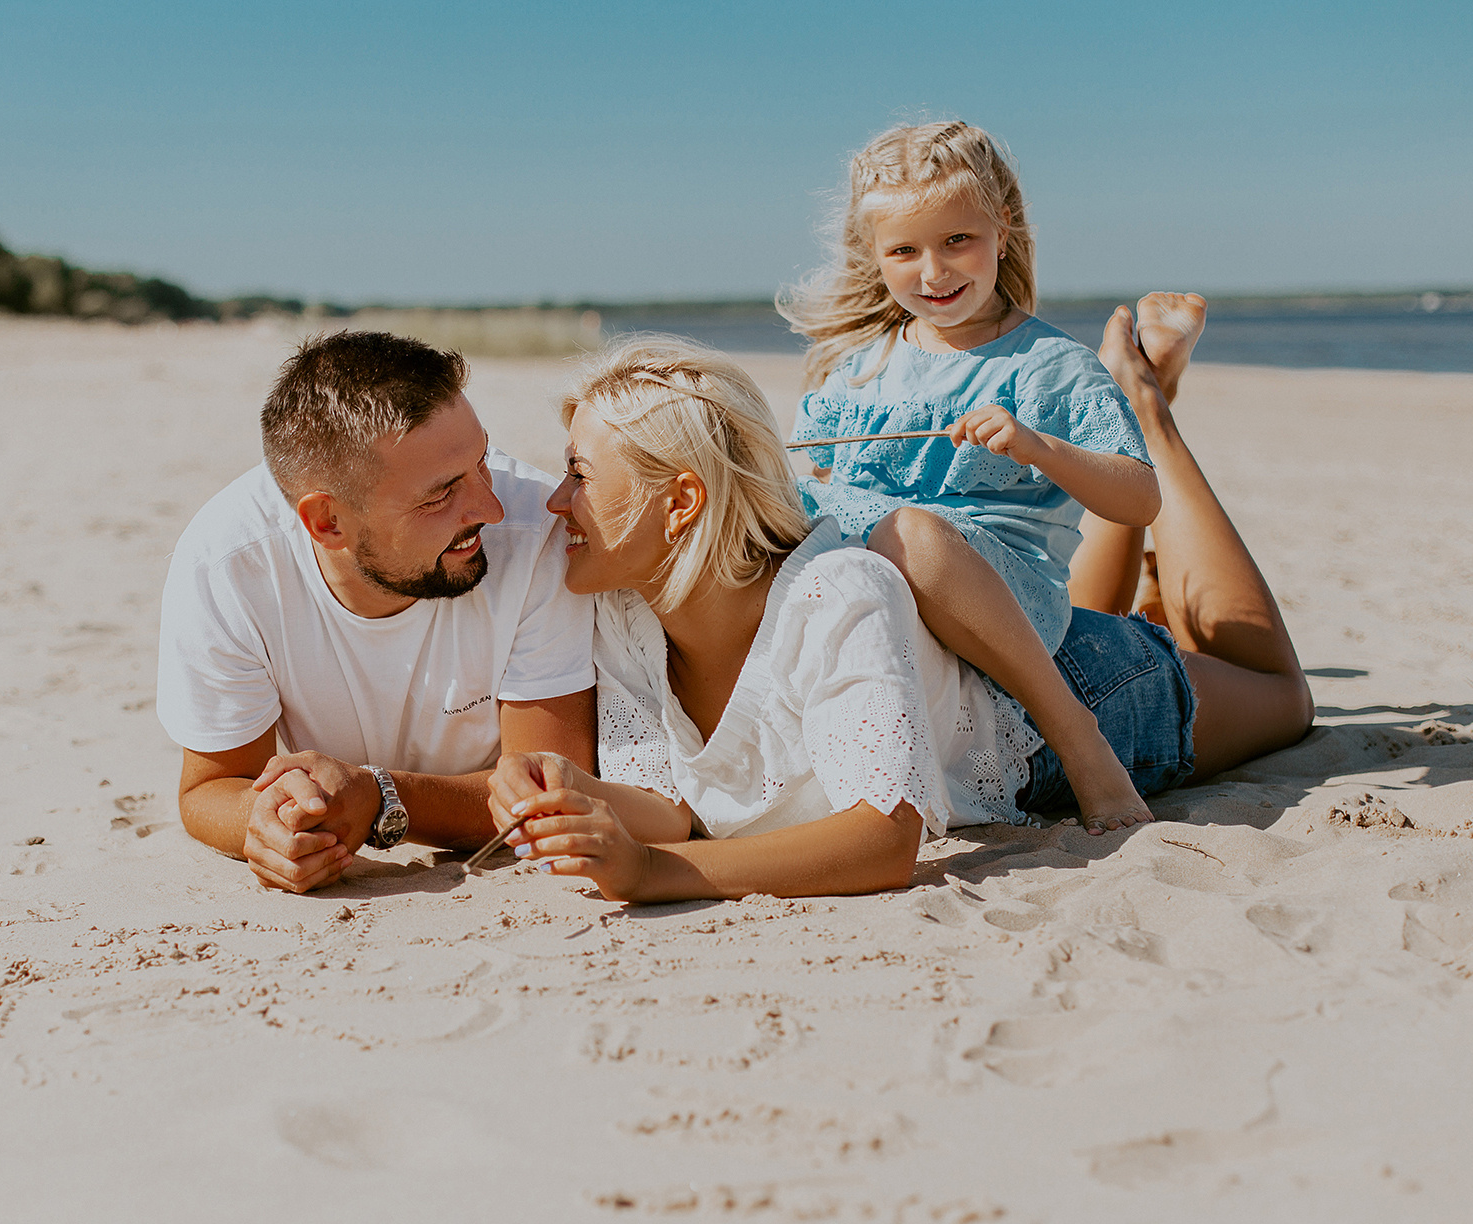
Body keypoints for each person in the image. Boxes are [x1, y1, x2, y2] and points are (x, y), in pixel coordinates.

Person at [486, 313, 1312, 905]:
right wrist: (578, 791)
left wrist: (658, 875)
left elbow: (885, 839)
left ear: (682, 502)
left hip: (1064, 700)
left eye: (581, 475)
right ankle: (1147, 565)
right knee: (1129, 613)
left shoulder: (840, 592)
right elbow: (670, 807)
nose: (557, 501)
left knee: (1280, 693)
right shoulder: (624, 617)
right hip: (966, 651)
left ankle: (1149, 412)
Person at [778, 121, 1164, 834]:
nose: (934, 272)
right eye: (905, 250)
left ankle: (1079, 741)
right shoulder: (859, 367)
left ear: (1003, 229)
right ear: (875, 256)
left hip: (1001, 596)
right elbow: (833, 480)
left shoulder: (1049, 366)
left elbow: (1140, 496)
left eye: (958, 240)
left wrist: (1040, 447)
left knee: (912, 533)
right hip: (881, 583)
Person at [157, 331, 596, 893]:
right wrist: (270, 826)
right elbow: (213, 787)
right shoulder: (229, 563)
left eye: (482, 459)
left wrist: (380, 798)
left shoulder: (540, 534)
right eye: (440, 495)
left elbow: (553, 792)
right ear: (328, 523)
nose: (491, 506)